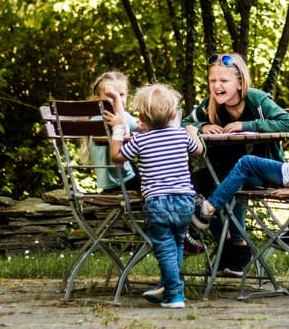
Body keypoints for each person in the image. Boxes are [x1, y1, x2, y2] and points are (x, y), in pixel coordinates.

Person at [190, 56, 289, 253]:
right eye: (213, 81)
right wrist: (203, 126)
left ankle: (208, 209)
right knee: (228, 174)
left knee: (245, 163)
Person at [181, 53, 289, 276]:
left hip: (261, 172)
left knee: (226, 181)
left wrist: (246, 125)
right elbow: (185, 122)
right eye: (213, 81)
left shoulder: (257, 100)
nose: (217, 86)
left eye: (224, 81)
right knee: (194, 182)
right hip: (224, 169)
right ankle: (224, 244)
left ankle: (241, 247)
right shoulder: (211, 105)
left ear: (240, 82)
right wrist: (203, 126)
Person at [82, 71, 204, 255]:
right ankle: (191, 213)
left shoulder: (122, 117)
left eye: (121, 95)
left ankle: (184, 225)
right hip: (121, 181)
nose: (118, 100)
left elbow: (145, 127)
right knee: (163, 178)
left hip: (122, 180)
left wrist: (149, 123)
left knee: (159, 170)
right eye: (111, 95)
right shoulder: (102, 118)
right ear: (96, 99)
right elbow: (123, 124)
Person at [110, 83, 204, 309]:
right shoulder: (182, 135)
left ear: (141, 118)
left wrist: (117, 129)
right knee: (178, 243)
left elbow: (116, 156)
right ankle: (168, 286)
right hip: (184, 201)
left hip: (157, 202)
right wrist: (194, 132)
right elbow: (198, 150)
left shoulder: (140, 140)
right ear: (173, 115)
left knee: (164, 247)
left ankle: (174, 294)